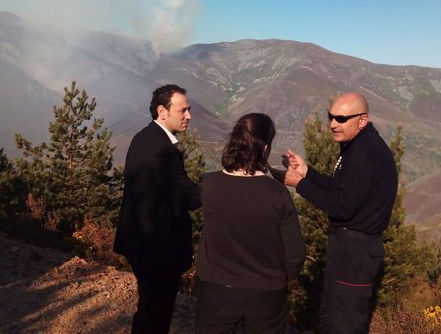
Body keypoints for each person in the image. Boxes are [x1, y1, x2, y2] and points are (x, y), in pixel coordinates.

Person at [284, 92, 398, 334]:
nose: (333, 124)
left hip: (355, 252)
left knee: (343, 322)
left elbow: (342, 206)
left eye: (341, 118)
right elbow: (342, 189)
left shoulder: (365, 153)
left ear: (362, 120)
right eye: (330, 117)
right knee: (334, 315)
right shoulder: (358, 146)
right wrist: (307, 172)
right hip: (350, 249)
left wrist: (300, 185)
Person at [196, 113, 306, 334]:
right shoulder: (277, 193)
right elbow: (295, 254)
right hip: (266, 293)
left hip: (215, 289)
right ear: (265, 149)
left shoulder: (209, 184)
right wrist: (284, 278)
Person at [114, 84, 201, 334]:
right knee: (156, 314)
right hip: (157, 249)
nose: (189, 116)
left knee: (149, 308)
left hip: (140, 242)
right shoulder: (164, 150)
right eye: (183, 110)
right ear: (162, 111)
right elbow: (191, 198)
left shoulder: (143, 137)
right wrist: (224, 179)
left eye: (189, 110)